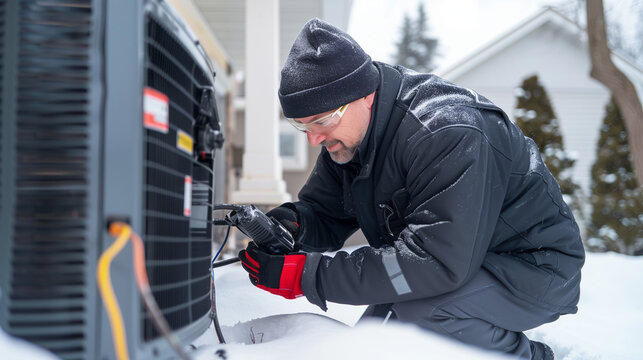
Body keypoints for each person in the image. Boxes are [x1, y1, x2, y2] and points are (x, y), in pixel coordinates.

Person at [238, 18, 584, 360]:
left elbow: (435, 262)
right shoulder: (349, 139)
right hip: (459, 262)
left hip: (535, 268)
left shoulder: (445, 132)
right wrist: (289, 226)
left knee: (425, 314)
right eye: (302, 125)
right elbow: (326, 213)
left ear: (364, 96)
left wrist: (309, 276)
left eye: (322, 121)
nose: (314, 138)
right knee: (372, 345)